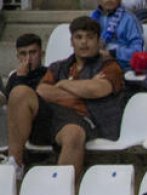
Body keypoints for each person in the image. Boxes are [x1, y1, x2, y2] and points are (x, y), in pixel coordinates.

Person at [5, 17, 125, 180]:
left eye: (90, 37)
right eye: (79, 37)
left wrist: (62, 84)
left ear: (98, 41)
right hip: (51, 116)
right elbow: (42, 91)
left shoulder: (109, 66)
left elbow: (97, 89)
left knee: (73, 133)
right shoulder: (58, 67)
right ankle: (15, 166)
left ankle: (61, 190)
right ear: (72, 41)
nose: (84, 42)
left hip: (84, 119)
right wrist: (81, 89)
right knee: (20, 92)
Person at [90, 0, 143, 71]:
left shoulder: (129, 19)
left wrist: (113, 53)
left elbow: (138, 51)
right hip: (93, 66)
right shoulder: (91, 18)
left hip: (121, 68)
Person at [4, 34, 47, 104]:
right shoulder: (14, 77)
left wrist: (21, 79)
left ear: (41, 54)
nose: (28, 58)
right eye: (23, 54)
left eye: (33, 53)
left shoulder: (49, 74)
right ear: (18, 57)